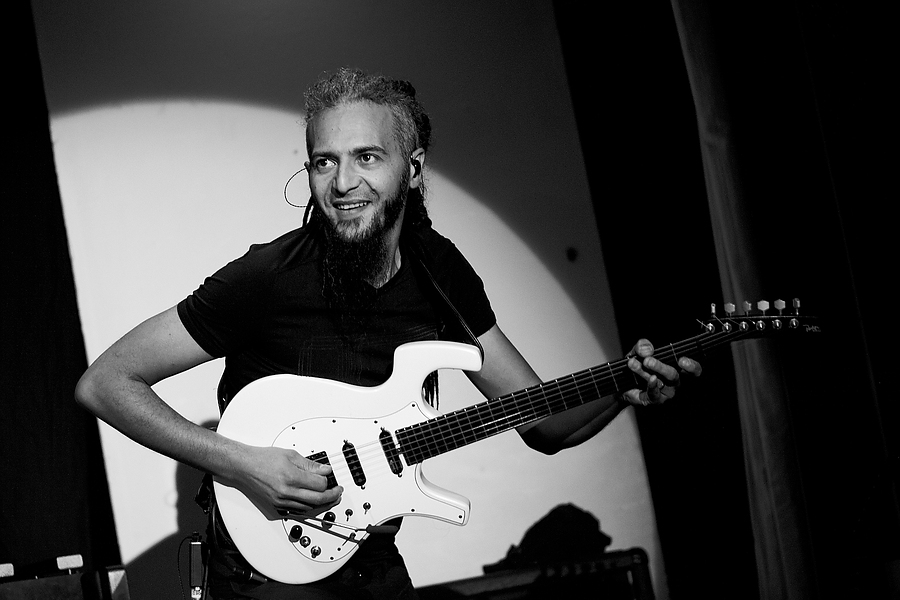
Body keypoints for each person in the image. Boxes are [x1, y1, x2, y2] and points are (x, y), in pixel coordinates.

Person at [75, 67, 701, 599]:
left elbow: (542, 421)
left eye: (367, 157)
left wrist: (626, 384)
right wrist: (242, 465)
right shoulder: (266, 276)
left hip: (369, 564)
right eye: (325, 161)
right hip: (261, 577)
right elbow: (105, 383)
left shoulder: (440, 272)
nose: (343, 183)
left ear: (414, 167)